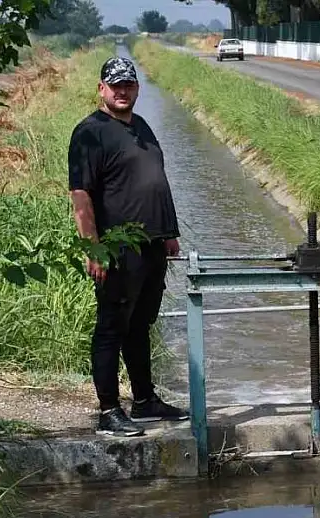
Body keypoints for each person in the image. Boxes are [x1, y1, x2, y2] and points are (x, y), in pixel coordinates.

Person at [68, 56, 188, 437]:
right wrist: (94, 248)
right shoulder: (90, 132)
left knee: (140, 325)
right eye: (115, 85)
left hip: (152, 246)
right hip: (118, 248)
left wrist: (169, 232)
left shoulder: (142, 126)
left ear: (137, 88)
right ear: (101, 88)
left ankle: (144, 400)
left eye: (129, 85)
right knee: (111, 327)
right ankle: (108, 411)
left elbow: (156, 179)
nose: (122, 91)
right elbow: (81, 194)